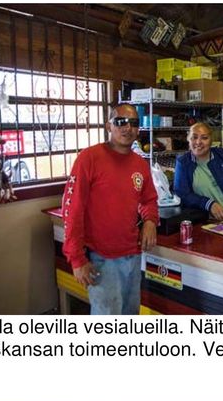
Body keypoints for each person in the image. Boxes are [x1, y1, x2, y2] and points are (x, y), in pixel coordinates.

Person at [62, 103, 158, 316]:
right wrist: (77, 259)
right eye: (120, 122)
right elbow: (72, 210)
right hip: (100, 258)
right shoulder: (89, 158)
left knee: (130, 315)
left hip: (132, 255)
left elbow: (149, 199)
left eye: (133, 123)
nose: (127, 128)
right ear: (108, 126)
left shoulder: (140, 165)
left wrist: (150, 221)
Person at [174, 122, 223, 223]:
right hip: (207, 221)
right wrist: (209, 204)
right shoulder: (183, 163)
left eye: (204, 138)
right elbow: (183, 194)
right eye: (194, 137)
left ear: (211, 141)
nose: (198, 142)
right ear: (188, 139)